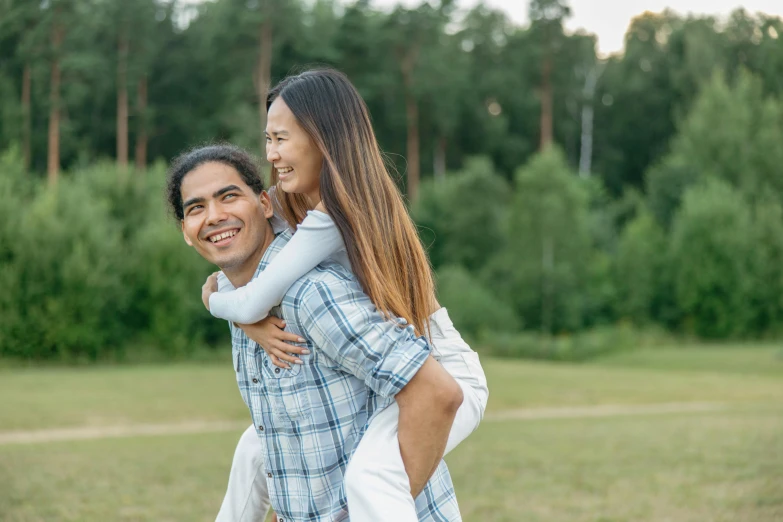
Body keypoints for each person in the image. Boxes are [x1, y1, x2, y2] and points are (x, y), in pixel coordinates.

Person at [201, 68, 488, 521]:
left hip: (442, 370)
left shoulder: (334, 215)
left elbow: (251, 297)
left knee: (370, 478)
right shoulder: (289, 199)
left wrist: (232, 311)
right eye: (268, 139)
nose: (270, 154)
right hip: (394, 366)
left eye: (281, 139)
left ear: (321, 138)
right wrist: (232, 304)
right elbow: (234, 274)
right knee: (258, 445)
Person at [167, 143, 465, 521]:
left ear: (264, 204)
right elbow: (298, 456)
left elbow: (438, 394)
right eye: (196, 208)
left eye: (229, 196)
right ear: (186, 232)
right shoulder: (244, 310)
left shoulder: (312, 295)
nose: (214, 216)